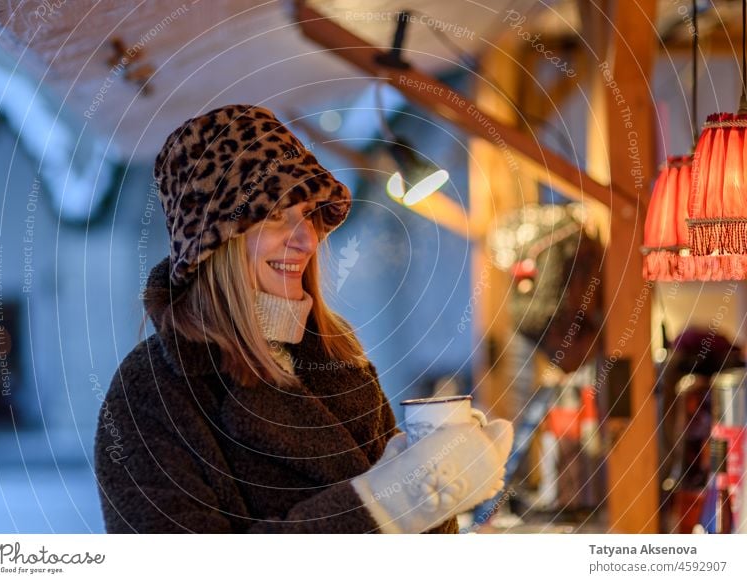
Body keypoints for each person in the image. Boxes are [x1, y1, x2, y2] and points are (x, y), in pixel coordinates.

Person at [93, 104, 513, 533]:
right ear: (215, 244)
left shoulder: (337, 357)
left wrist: (440, 478)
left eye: (307, 214)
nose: (305, 239)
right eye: (274, 215)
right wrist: (391, 501)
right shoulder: (150, 391)